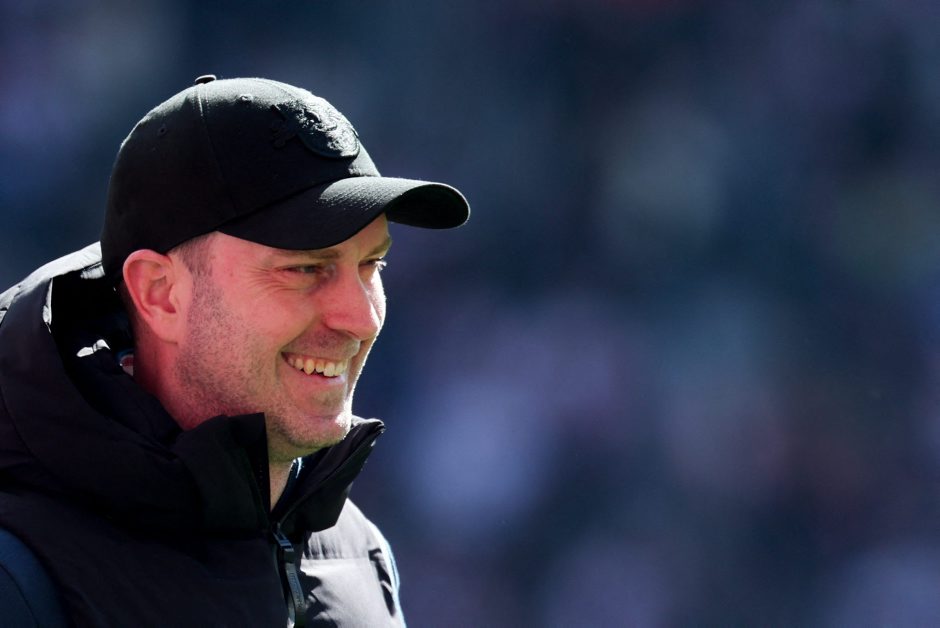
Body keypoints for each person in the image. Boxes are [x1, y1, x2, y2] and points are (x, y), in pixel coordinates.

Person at [0, 74, 469, 626]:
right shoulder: (20, 574)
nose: (361, 318)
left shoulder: (360, 554)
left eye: (372, 265)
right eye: (305, 269)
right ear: (159, 293)